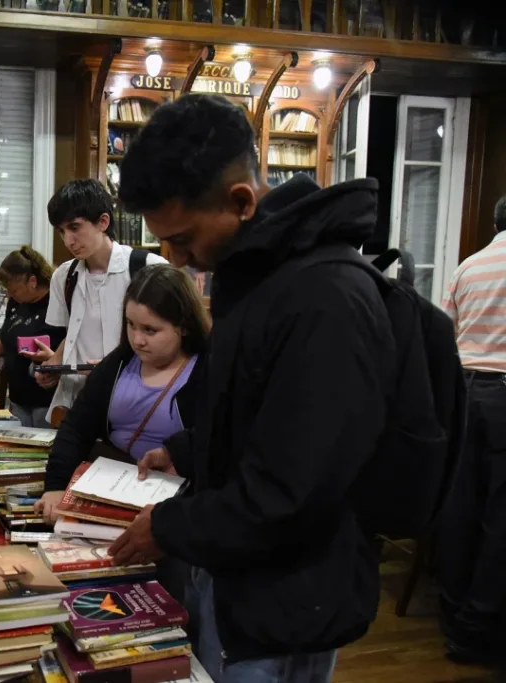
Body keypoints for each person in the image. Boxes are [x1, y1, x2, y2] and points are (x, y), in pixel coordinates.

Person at [107, 94, 397, 683]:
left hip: (286, 598)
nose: (174, 258)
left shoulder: (323, 299)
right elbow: (259, 413)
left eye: (184, 239)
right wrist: (187, 450)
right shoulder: (258, 278)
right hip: (239, 571)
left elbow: (293, 490)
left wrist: (167, 528)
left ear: (241, 202)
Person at [34, 264, 207, 523]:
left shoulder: (208, 369)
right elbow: (76, 428)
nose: (137, 339)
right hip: (109, 490)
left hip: (178, 505)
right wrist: (56, 487)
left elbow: (225, 437)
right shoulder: (120, 362)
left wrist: (178, 453)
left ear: (183, 326)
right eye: (130, 325)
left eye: (150, 330)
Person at [26, 179, 166, 422]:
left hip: (133, 404)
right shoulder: (64, 276)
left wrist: (115, 366)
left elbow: (175, 345)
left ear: (103, 222)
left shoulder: (149, 269)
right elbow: (74, 333)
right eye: (61, 231)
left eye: (74, 227)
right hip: (72, 405)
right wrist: (55, 365)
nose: (68, 240)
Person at [437, 194, 506, 666]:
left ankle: (454, 617)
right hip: (504, 394)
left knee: (461, 507)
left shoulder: (469, 266)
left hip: (463, 391)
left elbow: (446, 331)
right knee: (500, 516)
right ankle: (480, 626)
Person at [0, 246, 66, 428]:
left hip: (47, 401)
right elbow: (5, 339)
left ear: (33, 281)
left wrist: (55, 360)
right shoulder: (17, 302)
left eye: (15, 290)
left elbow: (72, 345)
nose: (11, 295)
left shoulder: (58, 303)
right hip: (18, 399)